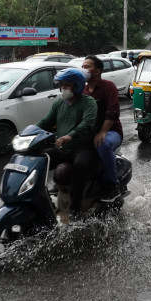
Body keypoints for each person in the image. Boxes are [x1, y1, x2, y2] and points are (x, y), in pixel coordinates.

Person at [36, 68, 97, 220]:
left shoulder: (88, 102)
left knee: (79, 167)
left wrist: (70, 135)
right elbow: (45, 122)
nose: (63, 88)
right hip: (62, 148)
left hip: (82, 148)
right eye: (62, 85)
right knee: (39, 160)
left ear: (77, 86)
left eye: (67, 85)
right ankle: (40, 200)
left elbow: (87, 123)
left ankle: (75, 210)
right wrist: (29, 132)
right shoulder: (59, 103)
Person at [81, 55, 124, 202]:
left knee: (103, 143)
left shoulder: (108, 86)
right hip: (89, 134)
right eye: (83, 67)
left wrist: (103, 131)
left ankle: (114, 186)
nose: (83, 70)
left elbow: (113, 112)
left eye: (87, 67)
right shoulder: (82, 90)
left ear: (97, 71)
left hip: (112, 131)